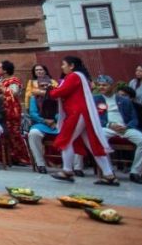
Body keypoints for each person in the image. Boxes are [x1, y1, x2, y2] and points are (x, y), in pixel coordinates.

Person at [39, 56, 118, 185]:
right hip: (80, 112)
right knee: (91, 144)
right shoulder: (79, 77)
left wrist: (50, 90)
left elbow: (61, 91)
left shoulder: (74, 76)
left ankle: (67, 170)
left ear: (71, 66)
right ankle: (109, 174)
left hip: (77, 113)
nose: (62, 67)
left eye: (64, 64)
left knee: (66, 140)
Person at [93, 75, 142, 184]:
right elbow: (95, 118)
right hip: (107, 127)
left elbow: (134, 118)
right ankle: (109, 172)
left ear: (112, 86)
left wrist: (127, 126)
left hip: (125, 128)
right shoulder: (95, 99)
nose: (101, 87)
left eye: (104, 85)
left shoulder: (124, 100)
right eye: (99, 85)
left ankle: (136, 172)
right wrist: (109, 124)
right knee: (100, 139)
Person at [0, 60, 28, 165]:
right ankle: (8, 157)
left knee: (14, 134)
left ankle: (21, 158)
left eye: (0, 67)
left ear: (5, 70)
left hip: (12, 111)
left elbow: (14, 93)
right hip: (2, 111)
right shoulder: (0, 81)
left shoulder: (13, 80)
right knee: (4, 134)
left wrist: (1, 88)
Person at [28, 78, 60, 174]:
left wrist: (55, 120)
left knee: (72, 132)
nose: (45, 87)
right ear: (38, 87)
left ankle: (75, 167)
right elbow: (33, 113)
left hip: (57, 124)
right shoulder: (34, 98)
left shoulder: (57, 98)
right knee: (33, 134)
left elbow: (61, 112)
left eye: (47, 85)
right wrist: (44, 120)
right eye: (42, 85)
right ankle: (40, 164)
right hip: (41, 124)